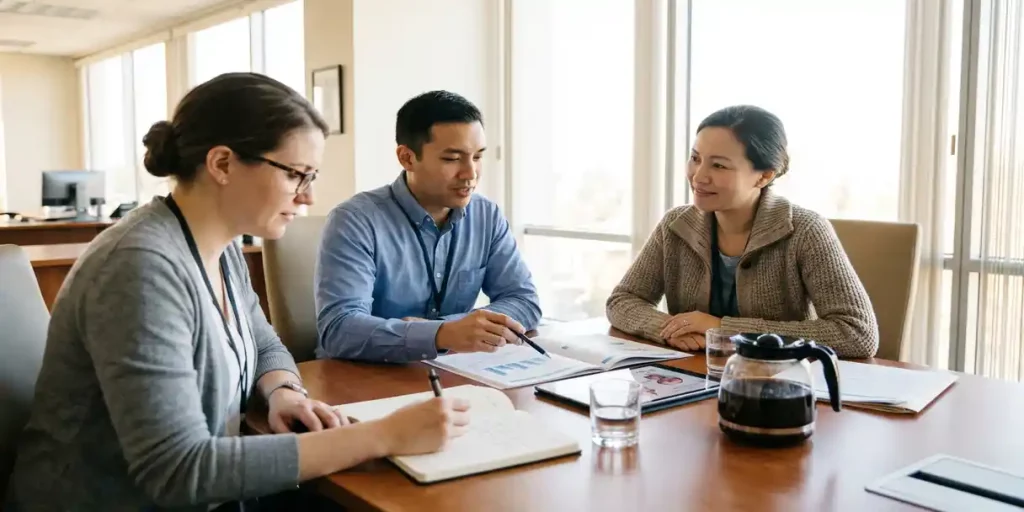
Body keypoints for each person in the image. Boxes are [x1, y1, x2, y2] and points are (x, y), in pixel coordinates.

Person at [6, 73, 470, 512]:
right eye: (296, 174)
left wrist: (283, 392)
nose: (307, 197)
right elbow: (177, 471)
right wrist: (382, 436)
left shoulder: (219, 245)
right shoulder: (140, 267)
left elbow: (264, 342)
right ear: (222, 163)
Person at [606, 105, 878, 358]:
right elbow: (622, 301)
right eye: (695, 158)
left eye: (719, 165)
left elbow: (857, 332)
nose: (699, 176)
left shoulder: (805, 230)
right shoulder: (676, 224)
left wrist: (724, 328)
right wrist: (671, 329)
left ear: (764, 176)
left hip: (775, 387)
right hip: (691, 379)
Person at [315, 90, 542, 363]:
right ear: (407, 158)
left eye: (478, 157)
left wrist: (445, 329)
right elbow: (339, 330)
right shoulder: (355, 220)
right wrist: (443, 333)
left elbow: (524, 300)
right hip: (361, 377)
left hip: (450, 370)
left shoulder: (486, 215)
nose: (470, 174)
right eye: (452, 159)